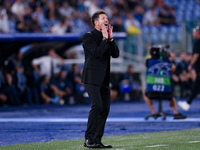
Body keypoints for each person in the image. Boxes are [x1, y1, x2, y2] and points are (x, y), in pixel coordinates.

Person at [81, 10, 119, 148]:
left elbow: (116, 54)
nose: (106, 19)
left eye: (107, 18)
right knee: (97, 106)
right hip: (91, 77)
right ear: (96, 22)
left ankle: (97, 140)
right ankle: (88, 139)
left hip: (104, 79)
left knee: (105, 109)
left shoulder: (107, 37)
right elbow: (97, 53)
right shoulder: (88, 36)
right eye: (103, 18)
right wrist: (104, 38)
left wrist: (111, 39)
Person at [144, 45, 186, 119]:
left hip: (152, 93)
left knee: (145, 94)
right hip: (166, 94)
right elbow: (173, 69)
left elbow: (147, 62)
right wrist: (167, 57)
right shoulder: (168, 62)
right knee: (172, 97)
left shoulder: (148, 62)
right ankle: (175, 113)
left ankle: (153, 112)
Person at [178, 26, 200, 111]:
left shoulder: (198, 42)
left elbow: (196, 55)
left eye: (194, 33)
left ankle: (187, 103)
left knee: (196, 86)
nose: (193, 34)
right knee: (196, 86)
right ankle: (188, 103)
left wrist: (191, 64)